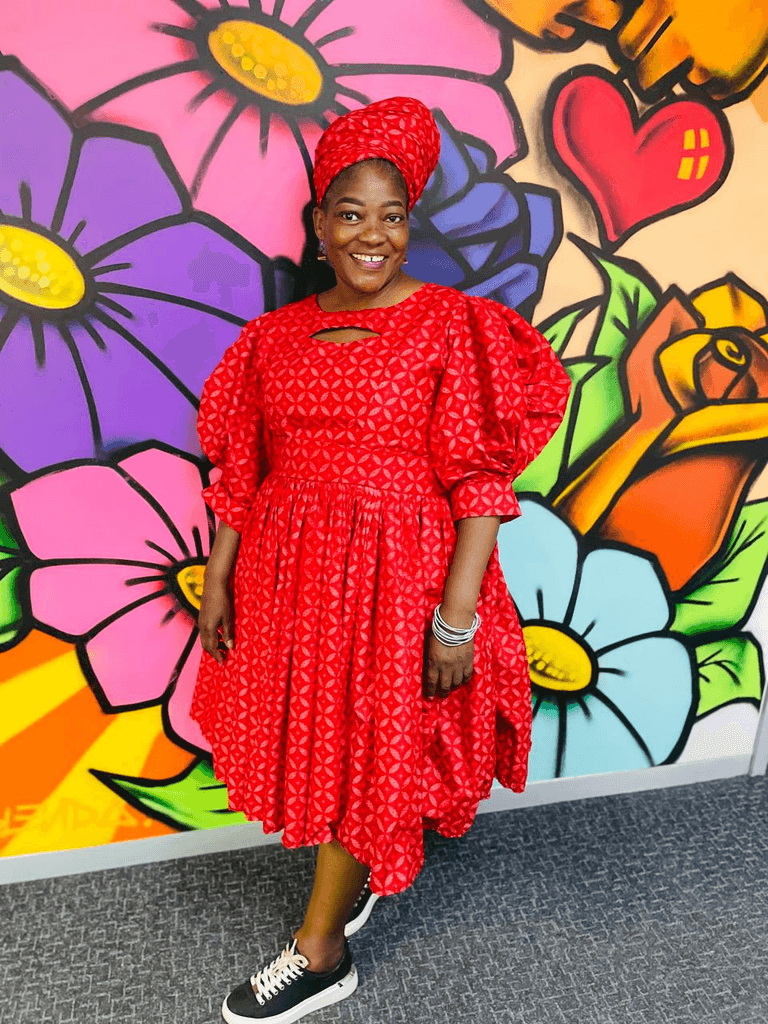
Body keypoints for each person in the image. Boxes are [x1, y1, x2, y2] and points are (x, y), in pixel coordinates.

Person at [191, 96, 571, 1024]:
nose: (373, 235)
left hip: (402, 582)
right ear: (320, 225)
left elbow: (479, 485)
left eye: (392, 216)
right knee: (326, 745)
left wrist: (457, 620)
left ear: (411, 224)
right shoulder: (270, 339)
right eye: (352, 214)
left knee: (369, 750)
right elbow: (242, 469)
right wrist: (220, 576)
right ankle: (352, 878)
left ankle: (321, 955)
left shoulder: (455, 327)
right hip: (292, 581)